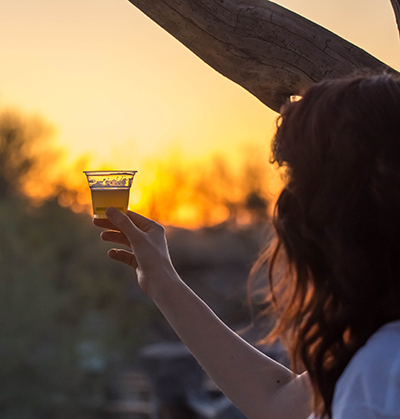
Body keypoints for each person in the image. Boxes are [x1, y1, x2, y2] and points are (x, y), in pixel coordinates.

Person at [93, 73, 400, 419]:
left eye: (296, 181)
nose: (284, 204)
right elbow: (279, 401)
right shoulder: (380, 352)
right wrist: (162, 281)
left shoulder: (380, 374)